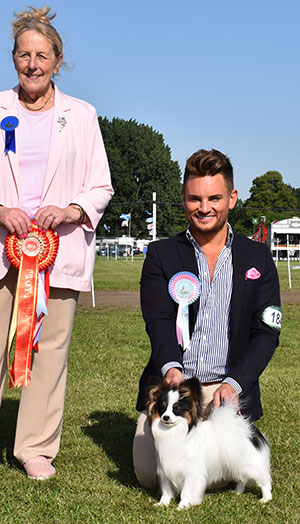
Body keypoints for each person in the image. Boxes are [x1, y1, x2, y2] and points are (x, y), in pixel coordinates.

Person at [0, 7, 113, 479]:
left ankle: (36, 448)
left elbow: (101, 186)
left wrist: (69, 210)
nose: (32, 64)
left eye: (41, 55)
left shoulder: (82, 116)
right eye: (23, 55)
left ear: (58, 60)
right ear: (13, 59)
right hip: (4, 248)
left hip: (57, 250)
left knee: (49, 351)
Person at [133, 148, 281, 488]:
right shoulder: (161, 254)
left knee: (207, 473)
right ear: (184, 197)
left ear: (232, 197)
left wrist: (234, 384)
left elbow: (266, 333)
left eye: (214, 198)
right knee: (149, 476)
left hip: (224, 389)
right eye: (195, 198)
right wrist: (171, 370)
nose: (204, 208)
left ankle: (226, 450)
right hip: (177, 387)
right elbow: (157, 320)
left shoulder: (257, 256)